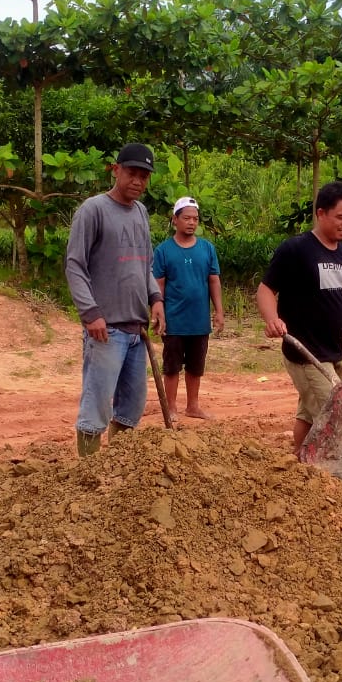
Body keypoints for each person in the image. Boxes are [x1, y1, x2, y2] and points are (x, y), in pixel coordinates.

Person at [65, 142, 165, 457]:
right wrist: (90, 313)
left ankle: (118, 467)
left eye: (144, 176)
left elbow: (145, 264)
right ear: (116, 170)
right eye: (132, 173)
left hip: (137, 329)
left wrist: (156, 299)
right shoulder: (93, 210)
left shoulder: (140, 213)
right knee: (96, 405)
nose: (138, 181)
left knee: (131, 408)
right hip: (106, 328)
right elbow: (75, 265)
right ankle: (89, 471)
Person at [257, 181, 342, 454]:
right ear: (320, 214)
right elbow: (266, 289)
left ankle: (301, 464)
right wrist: (272, 319)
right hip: (305, 353)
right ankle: (332, 469)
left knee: (308, 414)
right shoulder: (296, 250)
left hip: (333, 352)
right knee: (337, 414)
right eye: (340, 217)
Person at [151, 196, 224, 420]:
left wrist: (219, 311)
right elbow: (158, 285)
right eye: (186, 218)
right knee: (171, 366)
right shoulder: (163, 250)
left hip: (199, 320)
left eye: (195, 219)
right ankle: (171, 408)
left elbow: (213, 280)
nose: (192, 223)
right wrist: (158, 311)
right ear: (175, 220)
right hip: (174, 320)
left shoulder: (207, 248)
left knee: (196, 365)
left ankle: (193, 406)